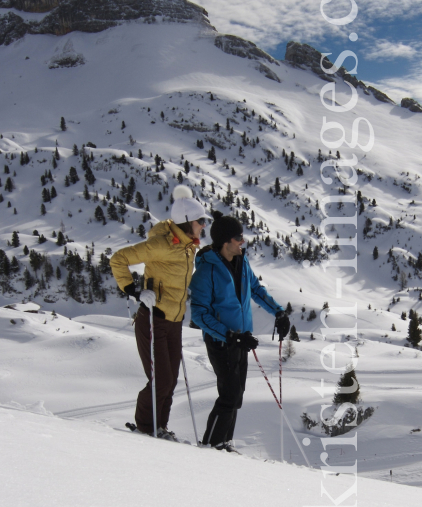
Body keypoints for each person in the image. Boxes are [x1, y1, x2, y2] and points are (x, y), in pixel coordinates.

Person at [110, 185, 210, 440]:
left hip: (174, 322)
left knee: (170, 380)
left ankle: (160, 427)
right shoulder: (161, 244)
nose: (203, 226)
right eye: (201, 221)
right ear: (188, 222)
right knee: (161, 381)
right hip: (153, 319)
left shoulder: (188, 246)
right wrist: (134, 290)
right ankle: (146, 427)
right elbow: (118, 259)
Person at [189, 211, 290, 450]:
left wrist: (278, 312)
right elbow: (199, 314)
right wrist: (230, 335)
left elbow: (255, 289)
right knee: (230, 395)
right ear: (225, 242)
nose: (242, 241)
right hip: (221, 341)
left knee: (237, 395)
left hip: (241, 340)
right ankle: (211, 446)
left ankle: (223, 443)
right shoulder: (206, 272)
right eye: (238, 237)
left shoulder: (241, 261)